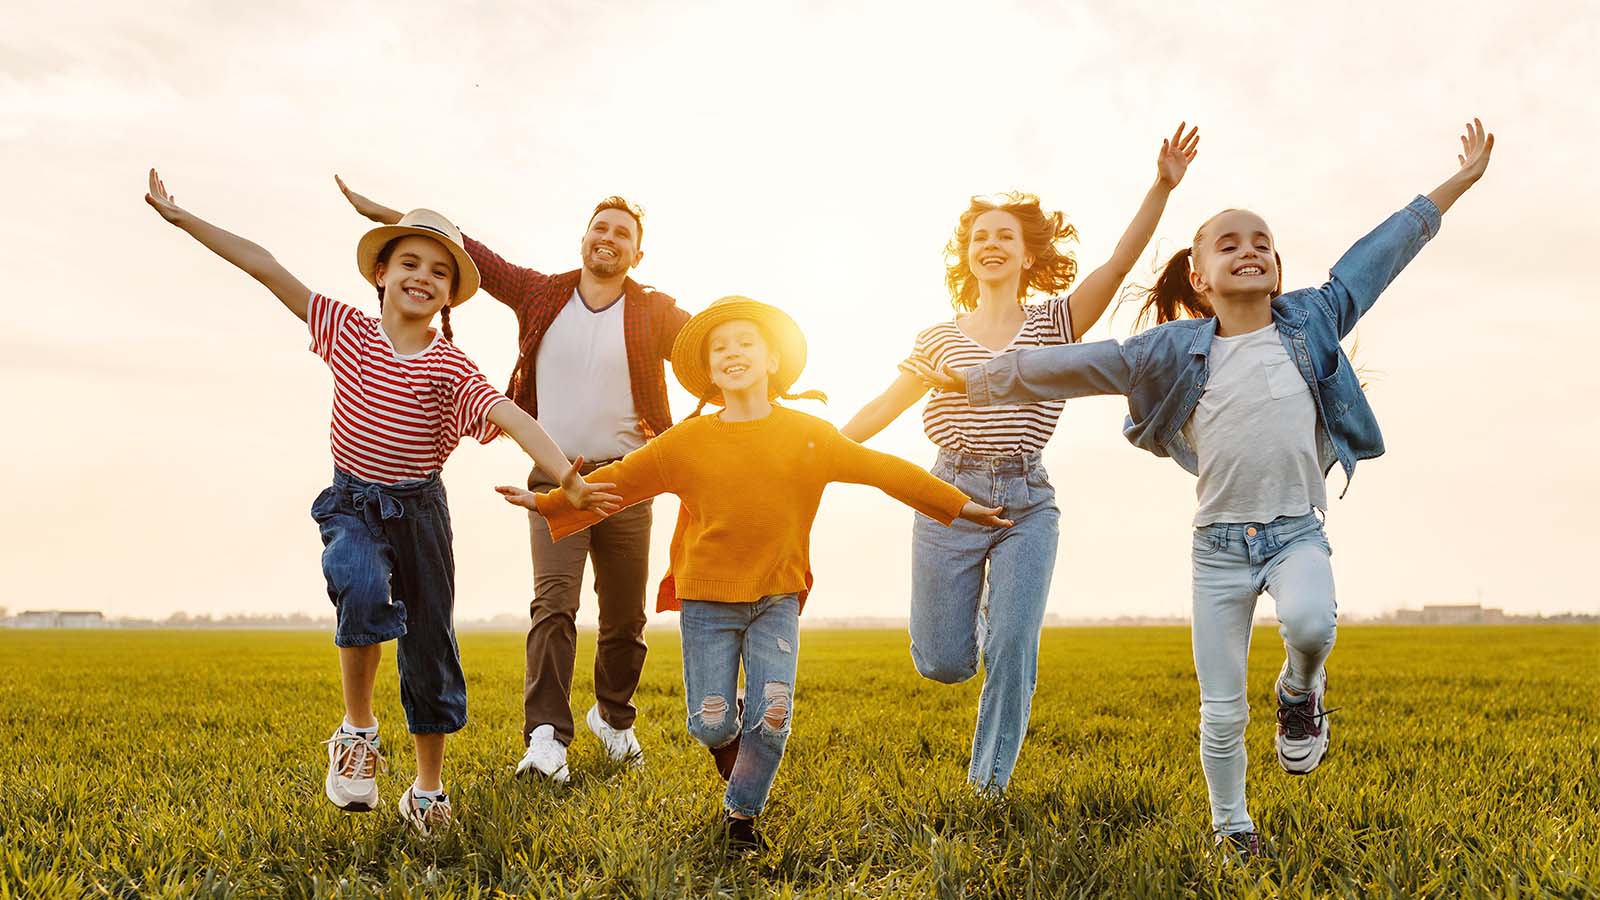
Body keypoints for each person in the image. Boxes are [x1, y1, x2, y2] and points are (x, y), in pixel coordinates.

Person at [923, 120, 1494, 855]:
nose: (1249, 250)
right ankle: (1233, 827)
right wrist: (981, 375)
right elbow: (1075, 363)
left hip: (1295, 531)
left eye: (1261, 242)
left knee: (1314, 625)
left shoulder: (1315, 319)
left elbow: (1380, 254)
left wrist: (1456, 184)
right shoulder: (1170, 351)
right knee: (1221, 711)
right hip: (1218, 550)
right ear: (1199, 277)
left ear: (1278, 270)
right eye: (1229, 244)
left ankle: (1299, 692)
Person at [144, 170, 617, 835]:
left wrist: (565, 476)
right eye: (410, 263)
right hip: (354, 503)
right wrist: (184, 218)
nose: (423, 277)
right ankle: (358, 732)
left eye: (440, 272)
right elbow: (266, 267)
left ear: (452, 293)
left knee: (430, 648)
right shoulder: (344, 329)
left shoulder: (451, 367)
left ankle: (426, 792)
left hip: (421, 515)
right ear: (383, 275)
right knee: (360, 586)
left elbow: (510, 415)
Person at [497, 296, 1012, 852]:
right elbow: (618, 482)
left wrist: (958, 505)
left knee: (773, 717)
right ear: (710, 371)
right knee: (710, 724)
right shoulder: (686, 442)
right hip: (706, 603)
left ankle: (740, 818)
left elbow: (884, 470)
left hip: (776, 599)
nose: (732, 353)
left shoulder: (808, 435)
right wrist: (550, 502)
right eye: (721, 348)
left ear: (772, 360)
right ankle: (733, 741)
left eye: (745, 343)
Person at [338, 179, 689, 781]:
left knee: (625, 617)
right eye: (600, 228)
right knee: (554, 604)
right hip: (555, 479)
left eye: (623, 235)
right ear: (584, 238)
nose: (609, 239)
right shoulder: (540, 294)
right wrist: (393, 217)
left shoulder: (654, 311)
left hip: (629, 480)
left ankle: (613, 716)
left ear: (638, 254)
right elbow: (472, 251)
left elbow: (708, 344)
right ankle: (546, 736)